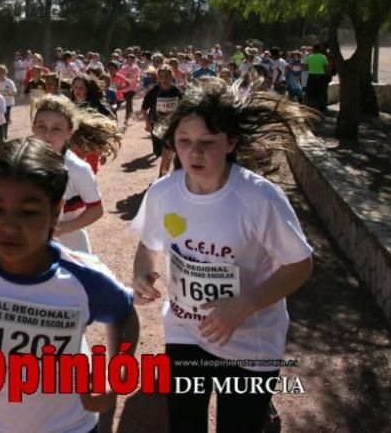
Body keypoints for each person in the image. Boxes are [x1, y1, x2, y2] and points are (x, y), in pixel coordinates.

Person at [0, 138, 139, 433]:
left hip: (73, 427)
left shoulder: (83, 278)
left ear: (56, 210)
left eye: (29, 212)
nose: (9, 225)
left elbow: (123, 314)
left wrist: (114, 374)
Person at [130, 79, 316, 433]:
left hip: (250, 344)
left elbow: (300, 264)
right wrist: (142, 274)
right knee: (185, 425)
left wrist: (243, 304)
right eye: (184, 142)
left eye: (207, 143)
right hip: (185, 332)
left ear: (231, 143)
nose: (194, 153)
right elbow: (148, 246)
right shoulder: (163, 193)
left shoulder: (260, 198)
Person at [32, 94, 120, 254]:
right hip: (33, 249)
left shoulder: (78, 169)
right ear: (33, 128)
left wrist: (63, 228)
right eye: (41, 126)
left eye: (56, 128)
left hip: (71, 252)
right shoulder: (23, 163)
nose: (47, 135)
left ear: (70, 132)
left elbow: (96, 210)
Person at [142, 67, 184, 178]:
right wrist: (147, 124)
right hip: (156, 126)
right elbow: (143, 109)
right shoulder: (154, 91)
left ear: (171, 77)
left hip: (171, 126)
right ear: (158, 78)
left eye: (166, 76)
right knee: (158, 152)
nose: (164, 79)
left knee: (167, 150)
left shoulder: (177, 91)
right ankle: (165, 171)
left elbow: (184, 108)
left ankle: (162, 177)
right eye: (161, 77)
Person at [304, 45, 331, 113]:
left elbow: (306, 68)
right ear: (319, 49)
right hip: (321, 78)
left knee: (311, 93)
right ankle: (323, 109)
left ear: (313, 50)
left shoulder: (309, 57)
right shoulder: (323, 57)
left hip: (311, 77)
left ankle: (311, 109)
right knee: (322, 93)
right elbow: (327, 69)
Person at [0, 64, 17, 141]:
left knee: (5, 119)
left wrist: (11, 93)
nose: (1, 73)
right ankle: (0, 135)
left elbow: (14, 91)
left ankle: (5, 135)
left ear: (5, 72)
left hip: (8, 103)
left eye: (2, 72)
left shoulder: (9, 82)